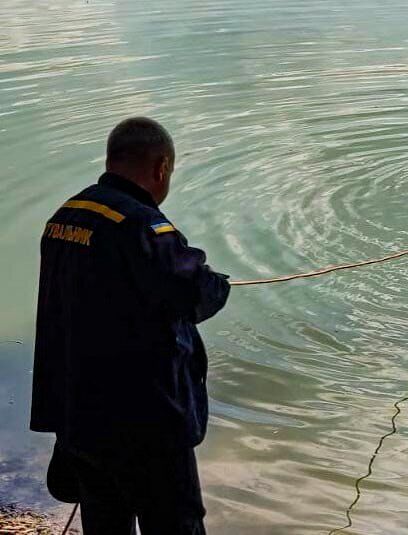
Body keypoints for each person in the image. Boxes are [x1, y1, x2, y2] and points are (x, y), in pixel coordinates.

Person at [30, 117, 230, 534]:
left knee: (104, 520)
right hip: (144, 421)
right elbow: (194, 293)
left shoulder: (66, 215)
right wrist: (216, 282)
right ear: (160, 167)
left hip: (80, 414)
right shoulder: (141, 225)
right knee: (175, 523)